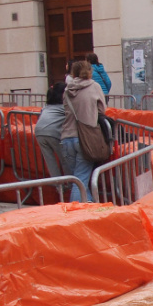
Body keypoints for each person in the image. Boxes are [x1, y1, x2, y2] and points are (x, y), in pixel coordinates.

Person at [61, 60, 108, 202]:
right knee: (80, 181)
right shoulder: (94, 87)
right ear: (90, 72)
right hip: (85, 138)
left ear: (73, 72)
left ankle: (88, 207)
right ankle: (77, 213)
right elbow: (102, 110)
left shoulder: (67, 89)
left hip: (66, 138)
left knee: (78, 179)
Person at [35, 81, 69, 180]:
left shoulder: (47, 106)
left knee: (50, 161)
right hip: (53, 133)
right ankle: (71, 183)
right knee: (64, 159)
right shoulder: (64, 107)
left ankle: (58, 185)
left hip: (39, 131)